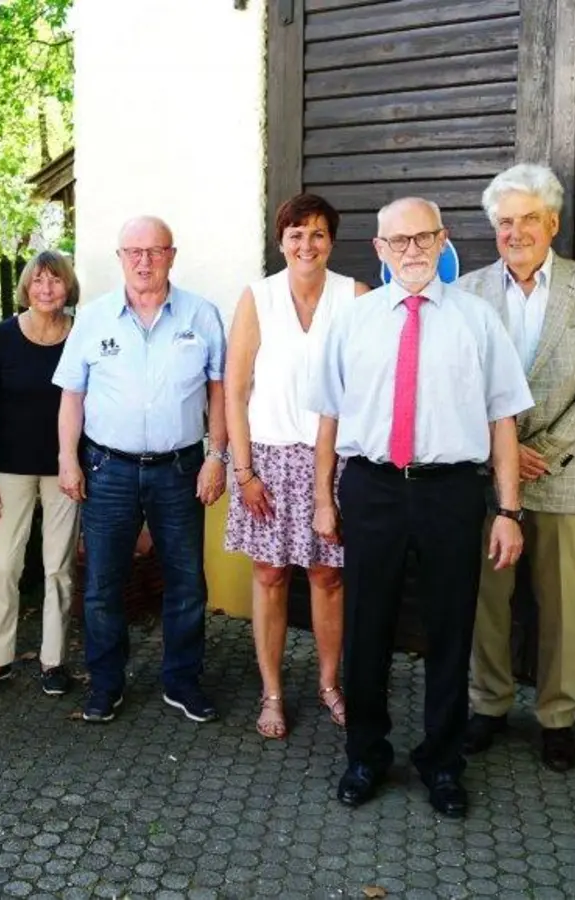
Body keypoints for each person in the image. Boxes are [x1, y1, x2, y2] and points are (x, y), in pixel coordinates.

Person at [312, 197, 531, 818]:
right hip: (372, 488)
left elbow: (504, 419)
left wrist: (509, 512)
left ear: (443, 241)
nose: (411, 250)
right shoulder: (353, 322)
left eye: (423, 238)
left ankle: (442, 761)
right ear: (379, 249)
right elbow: (328, 416)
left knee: (450, 629)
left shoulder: (478, 320)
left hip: (451, 491)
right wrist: (323, 499)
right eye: (398, 241)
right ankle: (366, 754)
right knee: (367, 627)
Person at [459, 164, 575, 773]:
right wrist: (497, 450)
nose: (516, 231)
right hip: (485, 473)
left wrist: (544, 451)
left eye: (529, 218)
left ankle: (558, 717)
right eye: (505, 221)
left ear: (553, 223)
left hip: (564, 471)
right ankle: (488, 704)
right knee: (487, 599)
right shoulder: (467, 292)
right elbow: (454, 383)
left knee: (560, 605)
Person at [53, 215, 229, 725]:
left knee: (186, 582)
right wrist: (67, 458)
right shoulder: (93, 318)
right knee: (102, 585)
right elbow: (72, 395)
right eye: (134, 251)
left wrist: (216, 457)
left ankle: (182, 681)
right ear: (120, 258)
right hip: (108, 469)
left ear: (172, 255)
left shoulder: (201, 314)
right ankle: (106, 683)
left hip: (180, 468)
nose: (144, 261)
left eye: (155, 251)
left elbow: (219, 392)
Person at [223, 193, 369, 739]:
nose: (307, 244)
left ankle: (330, 684)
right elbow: (235, 391)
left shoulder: (355, 296)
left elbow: (367, 384)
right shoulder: (257, 298)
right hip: (267, 461)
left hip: (335, 462)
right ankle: (272, 692)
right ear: (281, 241)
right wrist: (243, 472)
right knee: (269, 575)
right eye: (296, 234)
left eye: (318, 234)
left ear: (331, 241)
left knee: (329, 577)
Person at [0, 252, 80, 699]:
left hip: (65, 468)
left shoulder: (82, 334)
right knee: (3, 565)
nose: (46, 289)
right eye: (38, 281)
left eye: (55, 280)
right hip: (8, 468)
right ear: (26, 288)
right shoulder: (3, 337)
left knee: (59, 567)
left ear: (68, 288)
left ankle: (53, 661)